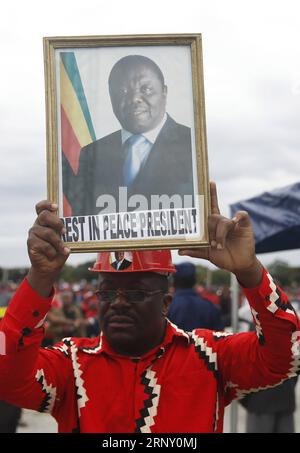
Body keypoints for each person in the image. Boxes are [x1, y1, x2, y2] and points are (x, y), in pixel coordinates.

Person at [0, 182, 299, 433]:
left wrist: (250, 272)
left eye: (136, 293)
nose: (118, 303)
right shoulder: (70, 364)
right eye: (106, 293)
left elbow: (286, 356)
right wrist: (39, 278)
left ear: (166, 302)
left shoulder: (212, 357)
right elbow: (7, 379)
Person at [62, 54, 194, 216]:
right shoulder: (92, 153)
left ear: (164, 91)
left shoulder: (192, 145)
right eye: (122, 90)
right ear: (110, 96)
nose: (134, 98)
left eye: (146, 89)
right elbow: (84, 224)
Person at [167, 262, 223, 331]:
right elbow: (219, 338)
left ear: (174, 281)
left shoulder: (167, 307)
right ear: (194, 281)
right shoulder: (210, 307)